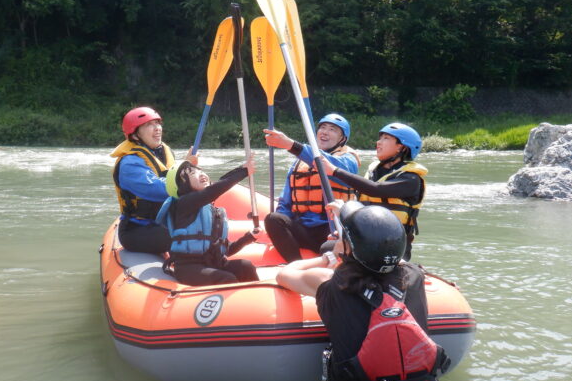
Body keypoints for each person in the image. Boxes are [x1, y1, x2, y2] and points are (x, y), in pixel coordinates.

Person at [277, 202, 469, 381]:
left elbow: (286, 274)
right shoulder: (414, 276)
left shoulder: (331, 284)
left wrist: (329, 256)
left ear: (348, 248)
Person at [318, 122, 426, 261]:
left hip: (392, 247)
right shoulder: (374, 172)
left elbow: (376, 190)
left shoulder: (411, 179)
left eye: (386, 138)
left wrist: (335, 171)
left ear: (401, 147)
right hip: (365, 241)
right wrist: (345, 232)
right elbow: (362, 210)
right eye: (380, 138)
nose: (378, 142)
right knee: (327, 246)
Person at [263, 113, 360, 262]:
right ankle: (294, 266)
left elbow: (329, 165)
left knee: (327, 248)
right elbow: (285, 203)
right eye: (322, 127)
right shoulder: (298, 164)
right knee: (273, 219)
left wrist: (291, 145)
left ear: (342, 139)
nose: (325, 132)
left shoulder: (348, 159)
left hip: (332, 230)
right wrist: (278, 232)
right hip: (304, 228)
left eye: (332, 129)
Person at [155, 156, 259, 286]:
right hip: (189, 268)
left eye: (200, 170)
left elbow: (227, 250)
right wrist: (243, 172)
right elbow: (214, 190)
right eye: (192, 173)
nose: (200, 174)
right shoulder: (184, 203)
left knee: (245, 266)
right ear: (182, 185)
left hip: (213, 264)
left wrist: (249, 237)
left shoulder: (209, 209)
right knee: (227, 278)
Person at [110, 106, 196, 254]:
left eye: (158, 123)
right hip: (136, 229)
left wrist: (189, 169)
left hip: (163, 221)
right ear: (135, 135)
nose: (157, 128)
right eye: (149, 125)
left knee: (202, 229)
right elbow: (156, 190)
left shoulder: (163, 152)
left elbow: (171, 177)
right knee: (185, 237)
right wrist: (184, 176)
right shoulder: (129, 163)